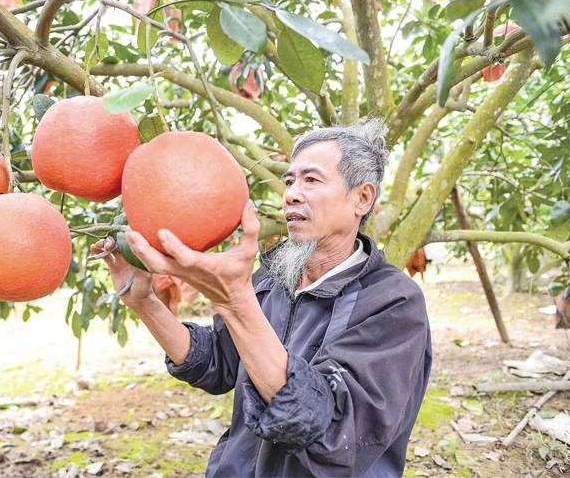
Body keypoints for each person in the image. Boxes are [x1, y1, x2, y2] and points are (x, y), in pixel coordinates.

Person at [91, 121, 432, 477]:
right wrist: (144, 303)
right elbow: (219, 364)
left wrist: (236, 302)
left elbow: (333, 435)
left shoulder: (394, 303)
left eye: (311, 180)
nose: (291, 195)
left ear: (362, 198)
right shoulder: (273, 278)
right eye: (289, 181)